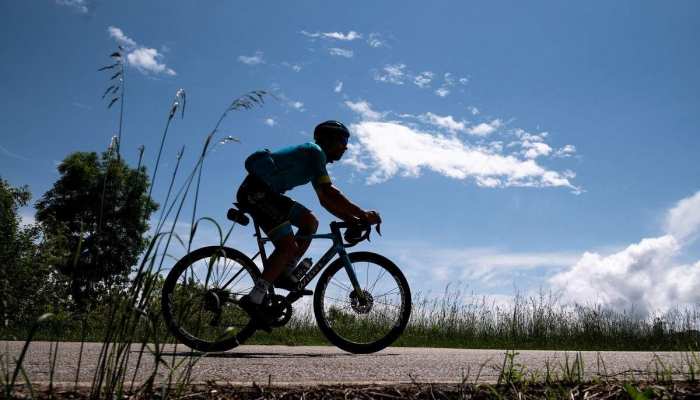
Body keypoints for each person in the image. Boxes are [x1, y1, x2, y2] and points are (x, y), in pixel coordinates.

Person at [236, 120, 381, 326]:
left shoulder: (315, 160)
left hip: (268, 194)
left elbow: (324, 200)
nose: (346, 146)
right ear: (328, 139)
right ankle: (255, 298)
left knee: (309, 221)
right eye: (342, 140)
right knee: (287, 246)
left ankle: (285, 271)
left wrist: (352, 219)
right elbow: (331, 192)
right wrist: (363, 214)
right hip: (257, 193)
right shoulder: (314, 151)